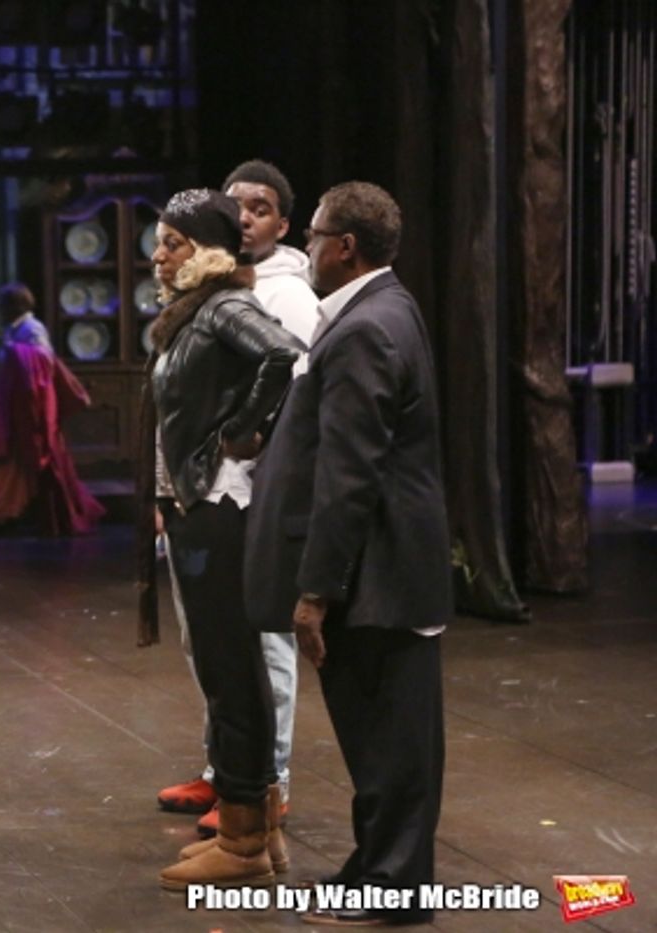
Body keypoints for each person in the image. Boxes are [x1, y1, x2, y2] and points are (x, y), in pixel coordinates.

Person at [245, 181, 450, 926]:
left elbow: (349, 472)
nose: (306, 247)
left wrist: (316, 588)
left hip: (377, 576)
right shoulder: (380, 308)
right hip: (379, 571)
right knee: (378, 739)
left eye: (315, 233)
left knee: (392, 742)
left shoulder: (366, 326)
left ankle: (394, 886)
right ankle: (375, 867)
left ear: (344, 247)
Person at [139, 189, 303, 889]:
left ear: (205, 251)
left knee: (232, 669)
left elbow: (284, 354)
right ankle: (254, 827)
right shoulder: (193, 314)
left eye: (172, 242)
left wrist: (238, 433)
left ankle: (242, 841)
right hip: (196, 503)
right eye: (160, 240)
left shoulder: (224, 306)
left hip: (218, 506)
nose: (159, 254)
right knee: (226, 667)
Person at [0, 282, 105, 535]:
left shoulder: (32, 329)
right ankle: (12, 513)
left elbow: (42, 364)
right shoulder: (15, 330)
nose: (0, 312)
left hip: (32, 408)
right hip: (17, 406)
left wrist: (14, 351)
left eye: (3, 306)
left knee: (44, 462)